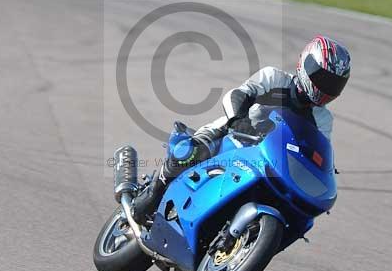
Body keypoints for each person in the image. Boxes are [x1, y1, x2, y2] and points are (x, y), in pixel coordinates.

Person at [131, 35, 351, 224]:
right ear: (306, 65)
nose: (326, 88)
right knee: (189, 154)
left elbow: (318, 149)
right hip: (231, 136)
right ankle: (152, 195)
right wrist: (239, 120)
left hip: (270, 161)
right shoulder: (274, 77)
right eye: (323, 78)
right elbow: (237, 94)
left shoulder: (323, 119)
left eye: (333, 84)